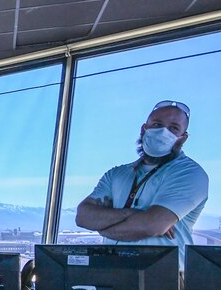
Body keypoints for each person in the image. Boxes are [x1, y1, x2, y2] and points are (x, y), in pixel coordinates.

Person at [75, 100, 208, 269]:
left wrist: (102, 227)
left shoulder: (189, 173)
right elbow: (83, 216)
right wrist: (134, 214)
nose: (163, 131)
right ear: (144, 129)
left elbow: (151, 225)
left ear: (183, 138)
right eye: (157, 124)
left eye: (174, 128)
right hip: (112, 274)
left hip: (165, 278)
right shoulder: (117, 174)